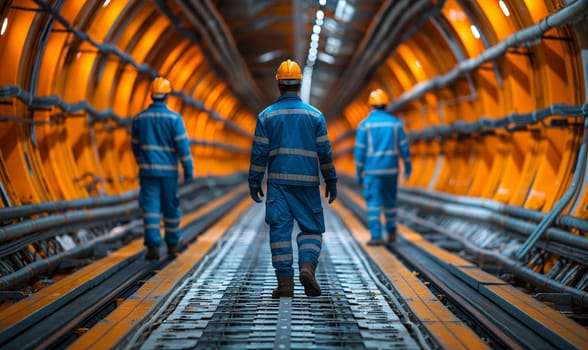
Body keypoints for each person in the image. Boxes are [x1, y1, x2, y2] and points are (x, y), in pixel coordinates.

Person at [248, 59, 338, 298]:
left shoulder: (266, 117)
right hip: (308, 184)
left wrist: (255, 181)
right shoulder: (315, 116)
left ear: (278, 85)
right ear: (299, 85)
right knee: (311, 229)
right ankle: (307, 266)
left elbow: (259, 152)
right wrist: (331, 179)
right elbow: (325, 152)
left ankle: (285, 283)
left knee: (279, 231)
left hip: (277, 185)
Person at [131, 77, 194, 260]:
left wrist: (142, 162)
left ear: (151, 95)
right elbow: (182, 146)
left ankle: (153, 246)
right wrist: (188, 170)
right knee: (170, 208)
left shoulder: (140, 118)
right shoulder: (174, 119)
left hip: (148, 172)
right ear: (167, 96)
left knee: (150, 208)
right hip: (168, 173)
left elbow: (135, 146)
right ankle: (173, 244)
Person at [354, 88, 411, 246]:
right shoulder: (396, 124)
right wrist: (407, 165)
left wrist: (359, 171)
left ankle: (376, 235)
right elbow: (404, 147)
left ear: (371, 106)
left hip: (372, 171)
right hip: (392, 170)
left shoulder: (364, 126)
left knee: (373, 202)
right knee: (390, 201)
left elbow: (360, 151)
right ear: (386, 105)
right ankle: (392, 231)